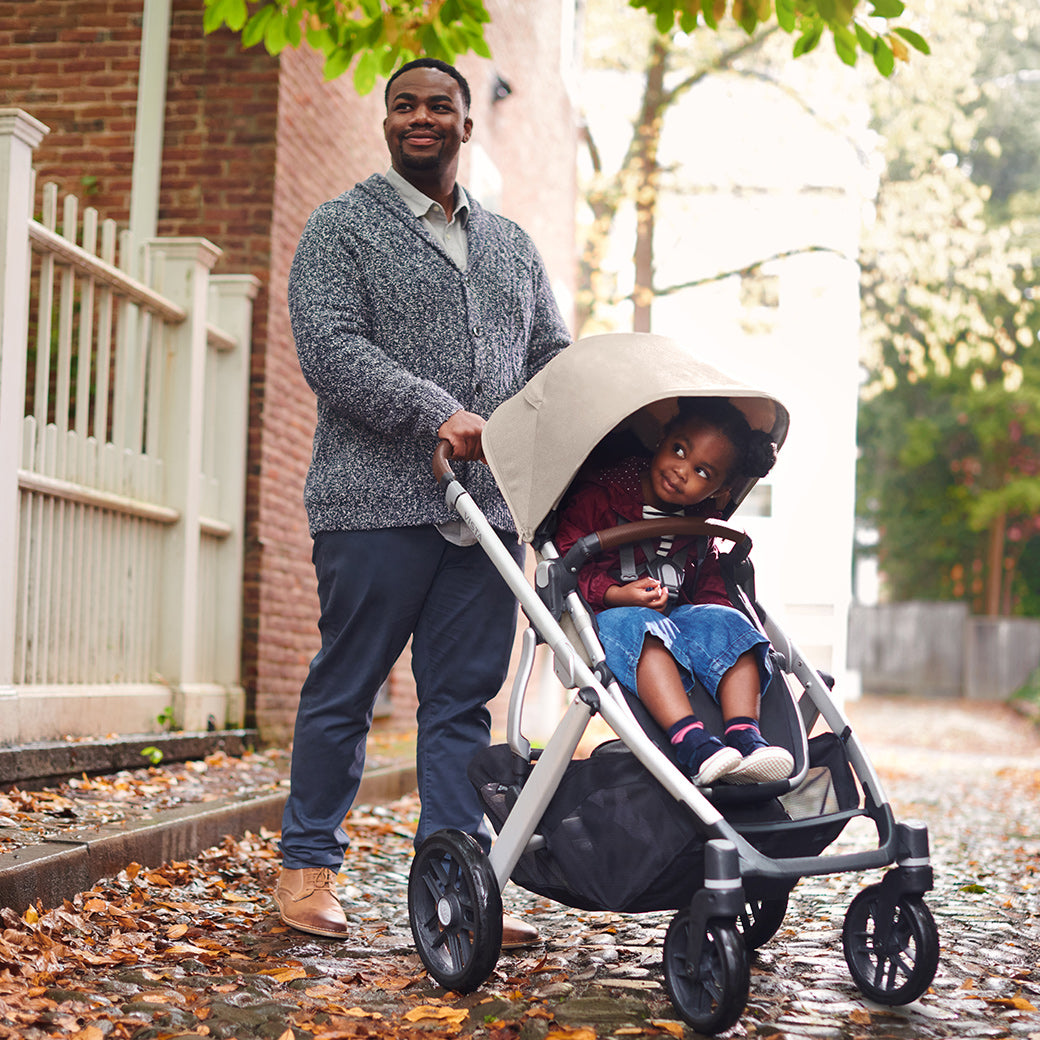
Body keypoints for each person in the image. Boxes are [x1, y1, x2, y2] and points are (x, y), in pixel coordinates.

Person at [276, 57, 570, 947]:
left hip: (486, 518)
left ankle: (454, 886)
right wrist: (436, 412)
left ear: (466, 126)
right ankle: (305, 869)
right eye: (405, 104)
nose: (421, 117)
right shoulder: (341, 230)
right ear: (387, 122)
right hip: (373, 505)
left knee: (459, 708)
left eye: (439, 105)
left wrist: (541, 436)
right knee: (348, 687)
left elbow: (550, 355)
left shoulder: (512, 245)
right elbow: (329, 348)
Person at [553, 396, 795, 787]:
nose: (682, 471)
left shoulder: (699, 521)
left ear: (720, 489)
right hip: (612, 618)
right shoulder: (602, 494)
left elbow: (710, 584)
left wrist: (720, 629)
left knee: (732, 623)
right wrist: (617, 593)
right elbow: (568, 562)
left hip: (679, 618)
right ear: (663, 438)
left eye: (703, 471)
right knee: (645, 625)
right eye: (679, 451)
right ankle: (693, 743)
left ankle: (746, 738)